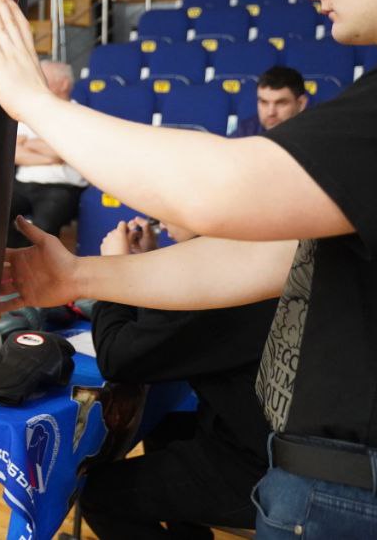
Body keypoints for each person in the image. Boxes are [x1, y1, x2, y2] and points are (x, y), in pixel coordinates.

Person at [0, 0, 377, 538]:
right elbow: (259, 257)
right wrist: (79, 275)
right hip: (329, 484)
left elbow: (219, 193)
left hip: (363, 492)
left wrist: (36, 104)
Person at [81, 217, 276, 538]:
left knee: (99, 496)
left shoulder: (217, 276)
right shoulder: (252, 247)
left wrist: (113, 270)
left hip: (260, 466)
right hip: (263, 437)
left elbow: (118, 358)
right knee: (165, 427)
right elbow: (165, 328)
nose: (159, 217)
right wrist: (148, 264)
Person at [8, 60, 87, 245]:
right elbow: (14, 152)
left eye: (43, 78)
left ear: (64, 84)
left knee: (43, 230)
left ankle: (34, 260)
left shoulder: (81, 115)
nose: (36, 82)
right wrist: (51, 157)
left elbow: (63, 153)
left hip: (61, 188)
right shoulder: (28, 112)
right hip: (23, 184)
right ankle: (18, 256)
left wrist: (28, 143)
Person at [231, 66, 307, 137]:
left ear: (301, 104)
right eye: (264, 102)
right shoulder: (246, 132)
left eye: (280, 103)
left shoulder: (312, 135)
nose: (271, 113)